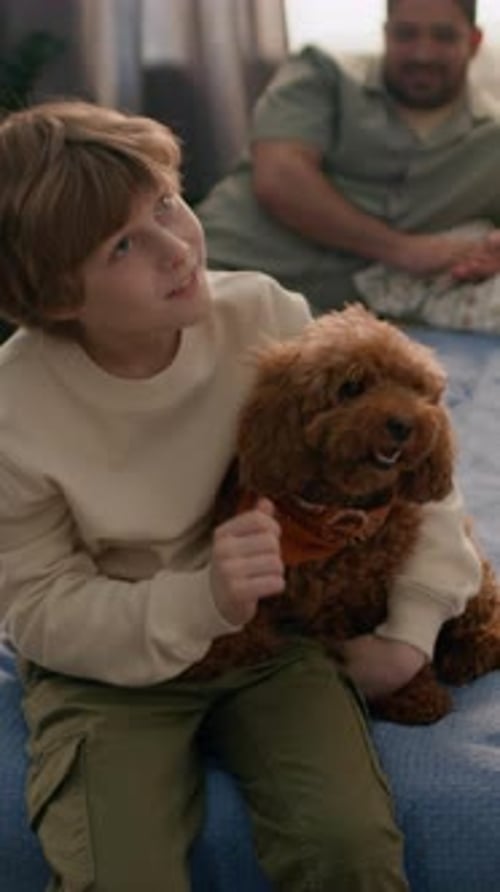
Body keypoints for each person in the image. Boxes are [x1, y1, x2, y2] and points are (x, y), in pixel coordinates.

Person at [0, 99, 480, 892]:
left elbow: (411, 482)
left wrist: (411, 633)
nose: (175, 247)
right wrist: (206, 599)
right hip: (109, 675)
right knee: (121, 874)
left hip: (281, 641)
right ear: (56, 298)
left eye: (165, 203)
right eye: (123, 244)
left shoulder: (264, 313)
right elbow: (42, 607)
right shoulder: (16, 408)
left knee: (350, 849)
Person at [197, 0, 500, 314]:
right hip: (224, 271)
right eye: (406, 34)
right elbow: (279, 179)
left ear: (474, 41)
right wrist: (403, 250)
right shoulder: (321, 73)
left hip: (339, 317)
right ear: (385, 34)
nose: (422, 54)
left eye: (444, 36)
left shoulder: (493, 141)